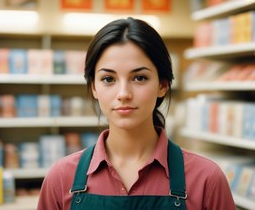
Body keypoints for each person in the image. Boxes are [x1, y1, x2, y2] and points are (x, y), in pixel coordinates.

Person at [37, 17, 236, 210]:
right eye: (108, 79)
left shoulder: (206, 180)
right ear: (94, 88)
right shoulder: (61, 178)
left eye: (139, 78)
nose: (123, 94)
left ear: (163, 85)